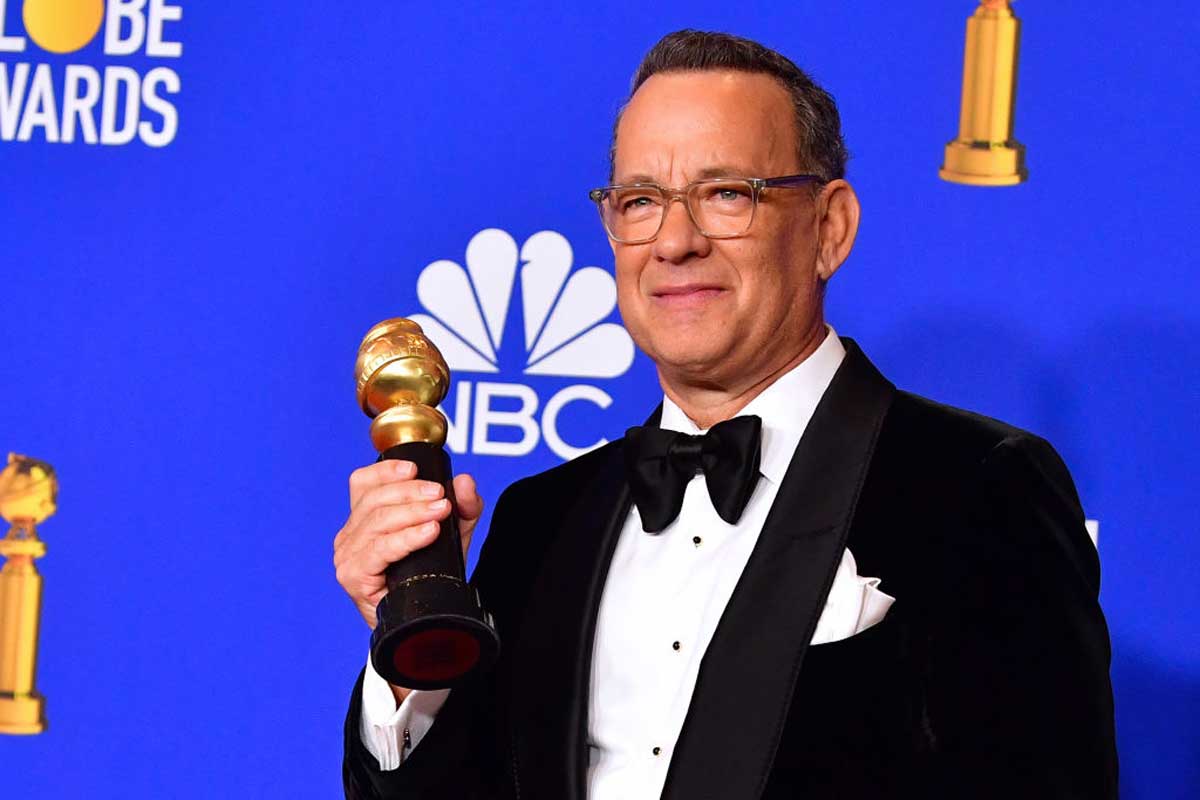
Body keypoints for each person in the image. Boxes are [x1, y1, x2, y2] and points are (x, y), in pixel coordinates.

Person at [334, 29, 1118, 800]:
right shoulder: (541, 517)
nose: (674, 241)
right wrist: (409, 646)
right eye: (640, 201)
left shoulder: (980, 486)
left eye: (725, 194)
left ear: (829, 227)